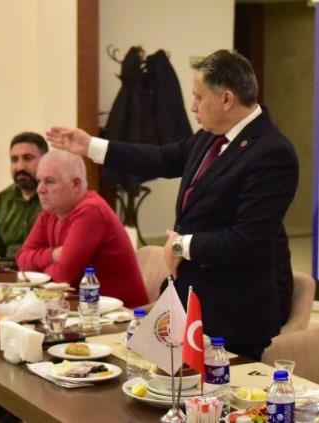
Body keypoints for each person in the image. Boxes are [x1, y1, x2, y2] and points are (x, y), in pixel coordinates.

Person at [46, 49, 299, 360]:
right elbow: (162, 158)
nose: (192, 106)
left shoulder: (272, 153)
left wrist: (182, 246)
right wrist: (91, 146)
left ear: (226, 99)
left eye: (199, 97)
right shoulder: (210, 136)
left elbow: (247, 241)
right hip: (189, 302)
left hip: (233, 315)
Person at [16, 150, 148, 308]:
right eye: (39, 181)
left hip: (122, 315)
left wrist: (40, 267)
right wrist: (52, 255)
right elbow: (22, 259)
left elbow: (61, 278)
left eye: (49, 181)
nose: (40, 189)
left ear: (76, 184)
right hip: (82, 310)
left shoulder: (91, 210)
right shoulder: (51, 211)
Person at [0, 131, 48, 258]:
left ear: (45, 161)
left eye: (28, 158)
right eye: (14, 160)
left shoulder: (55, 197)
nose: (20, 167)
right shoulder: (3, 199)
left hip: (43, 268)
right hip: (7, 268)